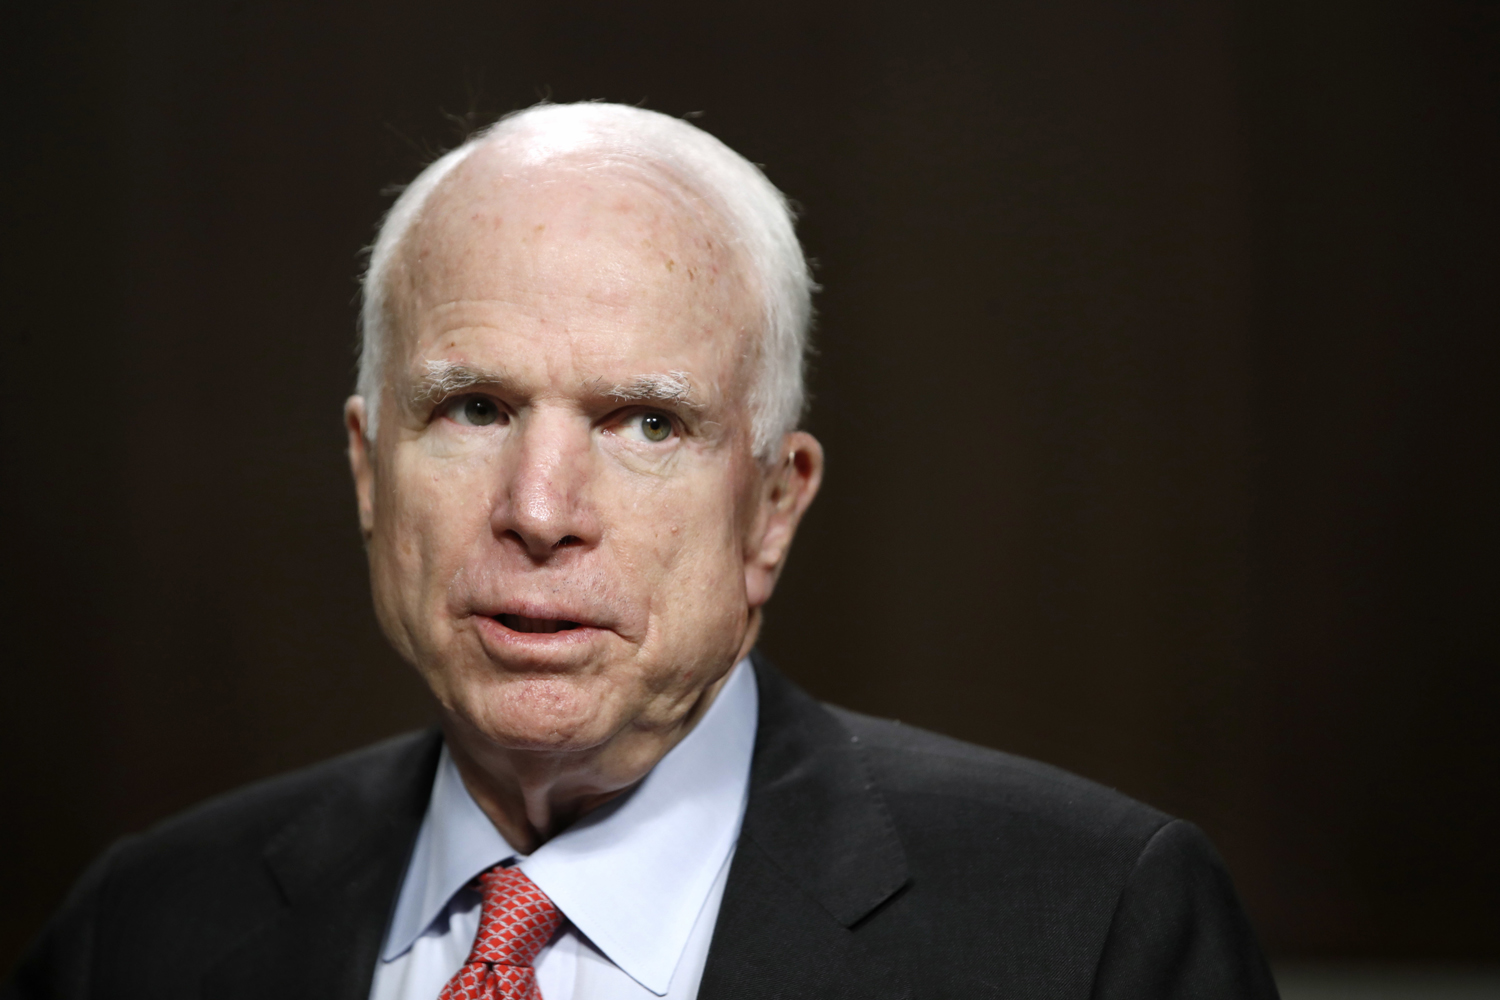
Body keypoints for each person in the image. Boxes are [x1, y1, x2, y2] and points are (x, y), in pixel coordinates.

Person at [3, 102, 1278, 1000]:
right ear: (367, 473)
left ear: (772, 507)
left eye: (647, 422)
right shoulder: (145, 929)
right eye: (474, 408)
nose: (541, 508)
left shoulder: (1092, 932)